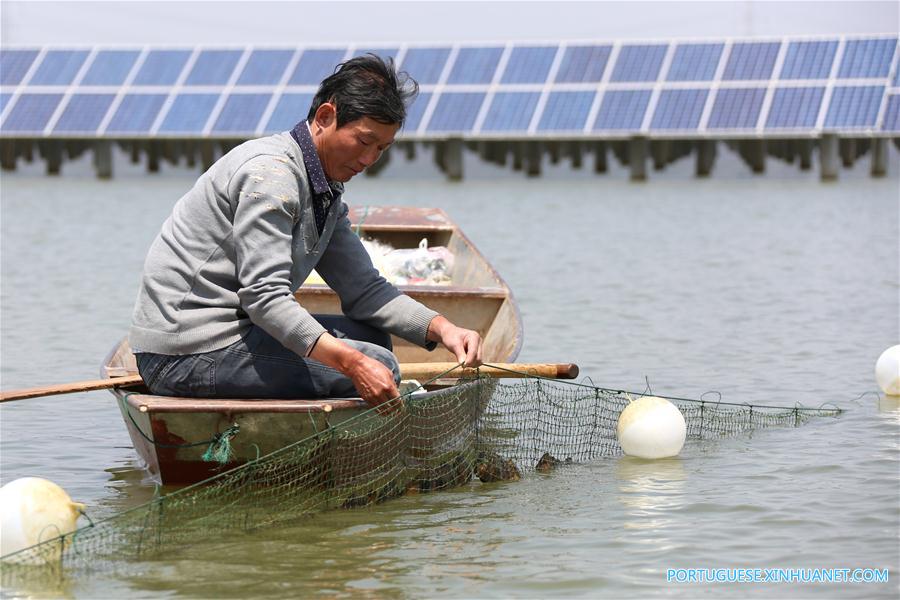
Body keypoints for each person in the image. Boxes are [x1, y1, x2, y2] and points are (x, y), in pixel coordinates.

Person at [129, 55, 482, 410]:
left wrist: (445, 330)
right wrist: (354, 363)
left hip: (231, 333)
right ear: (326, 117)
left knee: (372, 337)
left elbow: (365, 290)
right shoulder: (272, 177)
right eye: (364, 141)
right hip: (184, 352)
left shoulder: (323, 188)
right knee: (380, 364)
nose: (370, 159)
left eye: (382, 149)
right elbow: (265, 300)